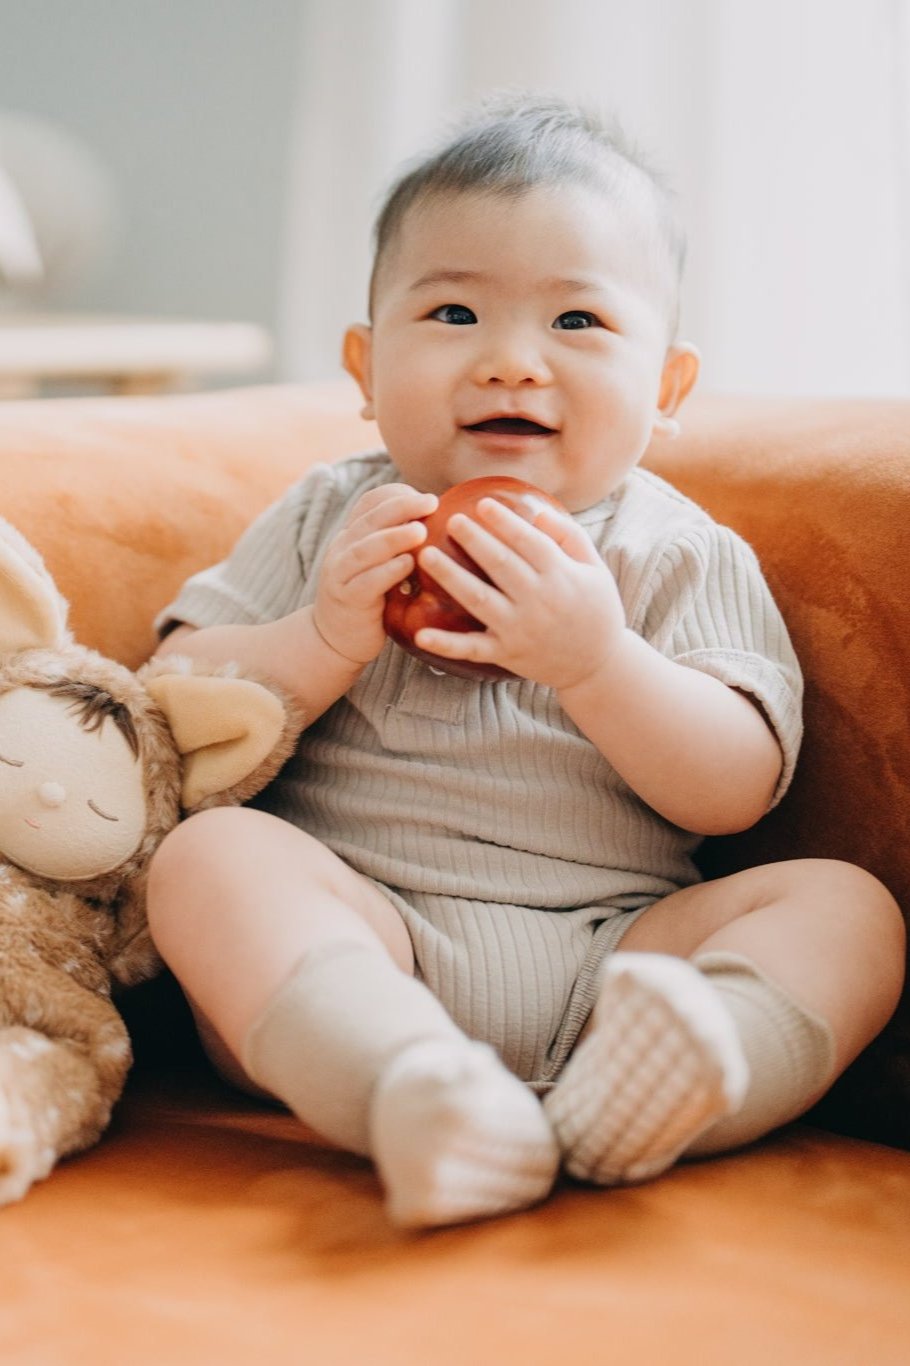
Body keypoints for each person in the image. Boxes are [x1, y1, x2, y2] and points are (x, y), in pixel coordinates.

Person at [146, 94, 904, 1230]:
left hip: (620, 955)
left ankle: (669, 1085)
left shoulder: (677, 551)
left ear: (668, 388)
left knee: (844, 909)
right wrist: (315, 639)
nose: (509, 364)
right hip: (367, 932)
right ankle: (404, 1081)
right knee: (211, 857)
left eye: (578, 323)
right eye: (453, 311)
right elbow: (174, 701)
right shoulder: (330, 519)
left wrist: (597, 661)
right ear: (363, 364)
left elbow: (737, 784)